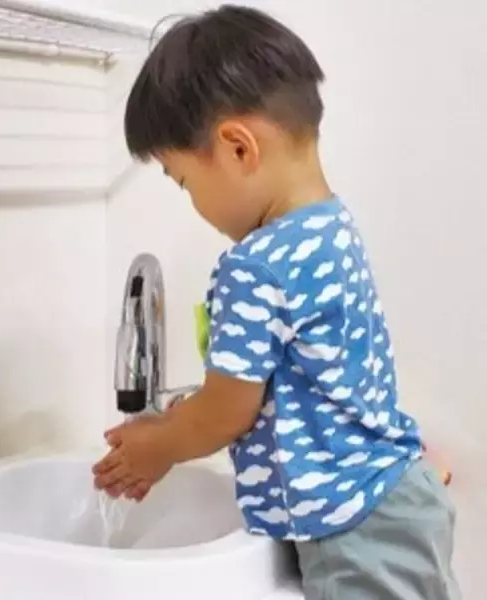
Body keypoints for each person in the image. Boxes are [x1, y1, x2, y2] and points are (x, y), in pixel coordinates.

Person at [92, 6, 459, 599]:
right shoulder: (332, 226)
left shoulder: (255, 266)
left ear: (238, 148)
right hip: (390, 497)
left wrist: (157, 447)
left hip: (353, 528)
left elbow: (226, 413)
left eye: (184, 182)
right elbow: (299, 376)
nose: (192, 202)